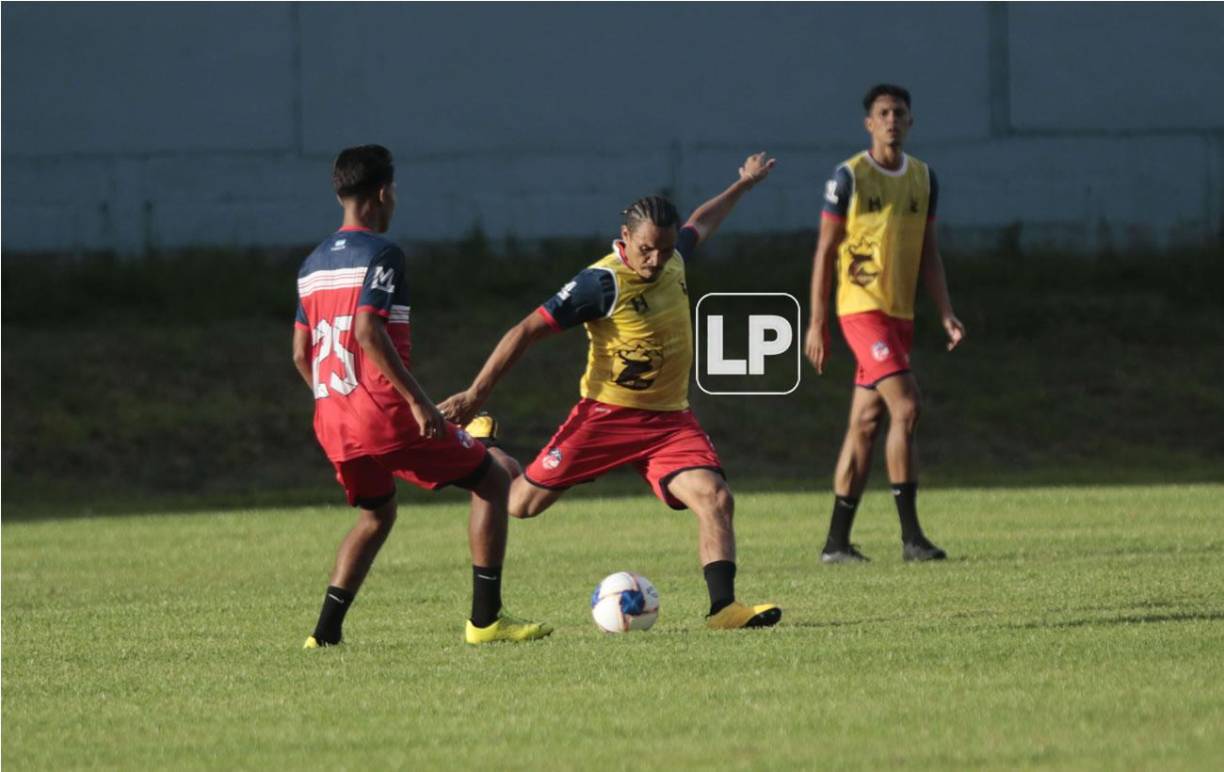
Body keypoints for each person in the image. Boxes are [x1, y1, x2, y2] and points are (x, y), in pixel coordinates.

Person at [440, 153, 782, 630]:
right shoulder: (600, 283)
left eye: (664, 248)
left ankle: (723, 608)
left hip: (668, 421)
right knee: (519, 505)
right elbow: (524, 331)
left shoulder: (673, 256)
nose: (656, 259)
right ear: (625, 240)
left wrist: (742, 184)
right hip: (606, 418)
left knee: (716, 498)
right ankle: (487, 445)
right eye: (646, 249)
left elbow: (703, 220)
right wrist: (476, 392)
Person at [292, 144, 551, 647]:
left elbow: (302, 354)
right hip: (384, 416)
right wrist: (419, 404)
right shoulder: (383, 253)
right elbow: (369, 330)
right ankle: (485, 621)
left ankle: (323, 636)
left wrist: (334, 402)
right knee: (495, 479)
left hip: (333, 422)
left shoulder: (312, 264)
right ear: (383, 192)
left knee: (377, 514)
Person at [804, 84, 965, 564]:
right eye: (883, 112)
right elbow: (825, 251)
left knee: (866, 423)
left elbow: (928, 254)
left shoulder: (923, 178)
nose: (892, 119)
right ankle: (912, 538)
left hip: (899, 315)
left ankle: (836, 543)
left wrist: (945, 311)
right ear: (869, 123)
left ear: (911, 121)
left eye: (899, 112)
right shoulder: (850, 176)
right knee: (908, 406)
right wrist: (817, 322)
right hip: (861, 311)